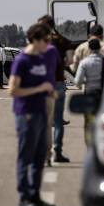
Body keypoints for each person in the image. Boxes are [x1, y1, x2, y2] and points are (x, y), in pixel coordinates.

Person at [9, 23, 56, 206]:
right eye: (46, 40)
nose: (48, 44)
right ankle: (24, 196)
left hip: (41, 111)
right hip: (26, 113)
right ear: (35, 40)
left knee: (39, 157)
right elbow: (12, 90)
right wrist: (39, 88)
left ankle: (35, 195)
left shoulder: (41, 59)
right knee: (26, 156)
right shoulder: (22, 60)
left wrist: (49, 91)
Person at [38, 15, 71, 163]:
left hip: (44, 84)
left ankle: (45, 152)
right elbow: (70, 60)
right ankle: (57, 151)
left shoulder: (40, 42)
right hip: (58, 83)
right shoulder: (62, 41)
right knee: (58, 120)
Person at [74, 38, 104, 146]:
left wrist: (85, 81)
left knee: (88, 122)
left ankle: (89, 145)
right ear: (100, 48)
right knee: (102, 120)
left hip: (89, 94)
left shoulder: (84, 62)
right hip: (103, 95)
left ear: (89, 49)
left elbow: (77, 82)